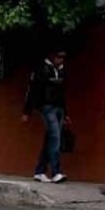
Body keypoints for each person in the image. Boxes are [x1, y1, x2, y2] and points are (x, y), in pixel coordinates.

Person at [22, 48, 70, 183]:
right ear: (52, 57)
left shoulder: (60, 70)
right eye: (59, 57)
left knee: (50, 139)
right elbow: (31, 91)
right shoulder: (41, 70)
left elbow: (62, 93)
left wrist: (66, 114)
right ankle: (57, 172)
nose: (61, 60)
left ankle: (39, 171)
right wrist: (27, 112)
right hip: (46, 107)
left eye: (62, 58)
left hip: (59, 108)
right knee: (55, 137)